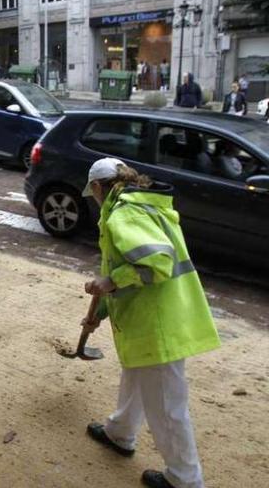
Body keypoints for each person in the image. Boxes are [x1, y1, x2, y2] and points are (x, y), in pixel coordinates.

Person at [80, 157, 220, 488]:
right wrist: (99, 313)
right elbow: (127, 264)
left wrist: (111, 282)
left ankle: (185, 479)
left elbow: (158, 261)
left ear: (99, 187)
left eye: (93, 193)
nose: (94, 199)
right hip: (154, 317)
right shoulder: (141, 204)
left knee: (167, 406)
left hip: (158, 323)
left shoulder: (123, 213)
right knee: (136, 375)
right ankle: (120, 432)